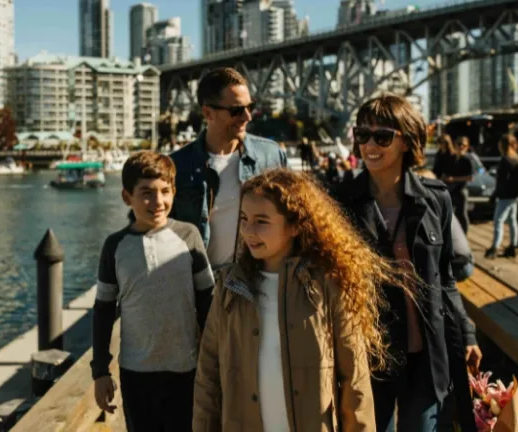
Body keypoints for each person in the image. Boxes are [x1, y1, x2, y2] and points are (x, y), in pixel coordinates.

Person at [193, 169, 412, 431]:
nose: (249, 230)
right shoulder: (229, 287)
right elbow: (208, 376)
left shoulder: (328, 286)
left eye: (262, 221)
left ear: (296, 225)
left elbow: (355, 381)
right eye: (243, 218)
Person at [337, 94, 481, 432]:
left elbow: (445, 277)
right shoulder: (341, 202)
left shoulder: (436, 199)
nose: (369, 144)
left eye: (382, 136)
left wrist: (469, 334)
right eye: (362, 134)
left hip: (427, 358)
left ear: (407, 141)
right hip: (371, 358)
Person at [91, 151, 215, 432]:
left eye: (165, 191)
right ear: (127, 197)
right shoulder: (115, 246)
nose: (157, 202)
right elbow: (103, 311)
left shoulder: (189, 236)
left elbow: (208, 302)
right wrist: (100, 371)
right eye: (146, 193)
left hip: (187, 368)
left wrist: (215, 362)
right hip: (137, 372)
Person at [170, 67, 285, 273]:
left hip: (256, 280)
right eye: (236, 110)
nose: (248, 117)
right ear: (207, 113)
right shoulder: (177, 166)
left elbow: (290, 217)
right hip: (200, 287)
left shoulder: (271, 155)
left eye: (251, 107)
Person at [485, 134, 518, 259]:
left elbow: (501, 182)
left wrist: (494, 195)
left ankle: (495, 247)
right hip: (515, 195)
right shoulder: (516, 159)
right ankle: (513, 245)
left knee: (498, 221)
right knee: (512, 221)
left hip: (505, 196)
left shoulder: (505, 160)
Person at [442, 136, 475, 233]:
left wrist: (454, 179)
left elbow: (470, 178)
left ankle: (464, 235)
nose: (461, 147)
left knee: (462, 214)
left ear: (467, 147)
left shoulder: (468, 159)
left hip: (461, 189)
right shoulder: (452, 158)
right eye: (459, 144)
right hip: (451, 189)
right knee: (449, 213)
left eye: (463, 145)